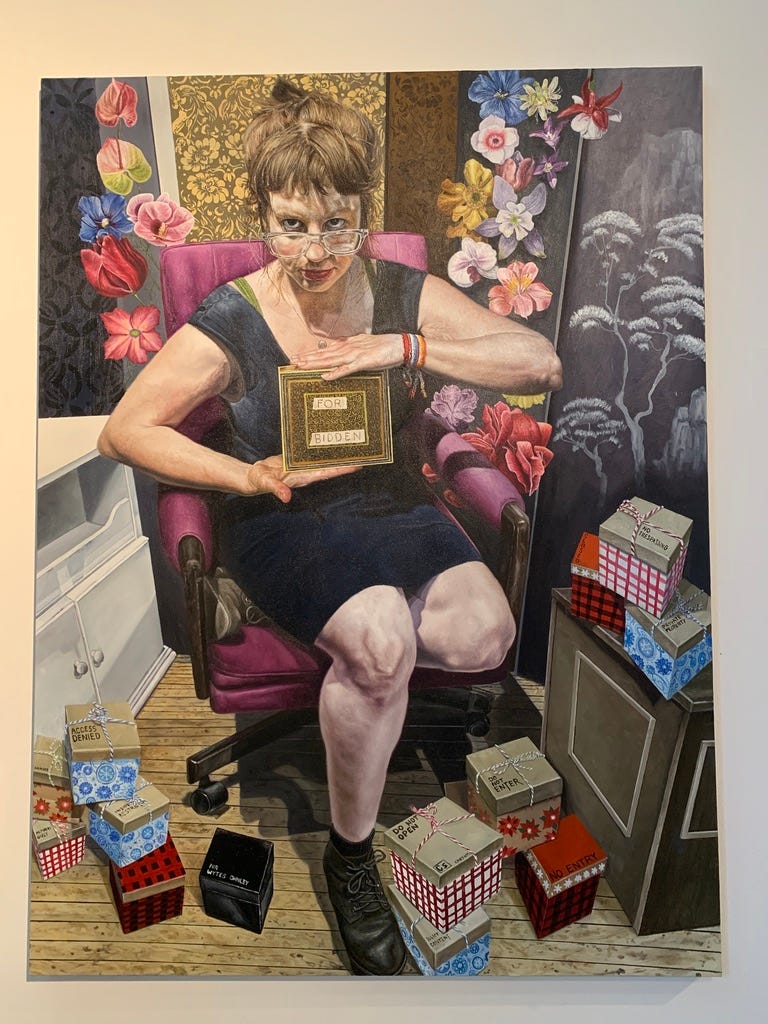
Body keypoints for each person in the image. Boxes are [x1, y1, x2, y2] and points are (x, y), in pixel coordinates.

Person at [98, 78, 562, 975]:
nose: (314, 251)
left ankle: (369, 689)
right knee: (381, 641)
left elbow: (538, 360)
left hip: (389, 500)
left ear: (362, 213)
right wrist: (248, 472)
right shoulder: (234, 315)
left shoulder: (397, 289)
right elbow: (125, 431)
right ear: (262, 216)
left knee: (485, 633)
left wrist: (407, 345)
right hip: (283, 513)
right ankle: (352, 858)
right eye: (290, 225)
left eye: (337, 224)